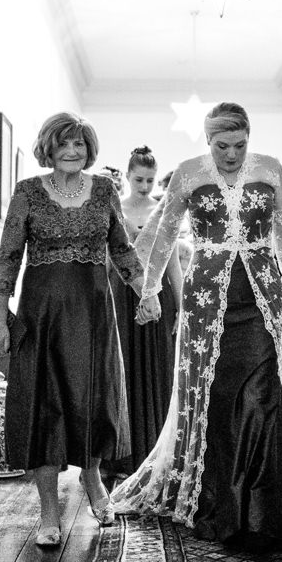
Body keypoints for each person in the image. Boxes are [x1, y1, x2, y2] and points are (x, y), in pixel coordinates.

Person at [110, 103, 282, 552]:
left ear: (249, 138)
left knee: (263, 393)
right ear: (207, 140)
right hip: (207, 297)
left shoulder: (271, 170)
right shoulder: (189, 174)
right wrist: (150, 288)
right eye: (221, 146)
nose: (231, 155)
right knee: (214, 393)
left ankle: (269, 505)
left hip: (260, 294)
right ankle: (221, 502)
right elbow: (167, 232)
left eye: (239, 145)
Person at [0, 112, 144, 548]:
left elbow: (122, 248)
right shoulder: (27, 193)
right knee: (44, 403)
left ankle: (94, 481)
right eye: (64, 144)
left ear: (89, 149)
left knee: (91, 399)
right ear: (49, 147)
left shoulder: (105, 191)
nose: (72, 151)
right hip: (40, 316)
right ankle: (48, 511)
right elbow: (7, 257)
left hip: (93, 314)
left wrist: (144, 291)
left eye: (79, 144)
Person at [103, 146, 183, 478]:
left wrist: (181, 305)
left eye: (150, 180)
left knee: (157, 370)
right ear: (127, 175)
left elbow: (174, 262)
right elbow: (106, 261)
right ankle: (120, 456)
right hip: (122, 295)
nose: (146, 186)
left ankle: (154, 454)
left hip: (159, 294)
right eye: (139, 179)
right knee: (124, 370)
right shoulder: (114, 208)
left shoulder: (163, 210)